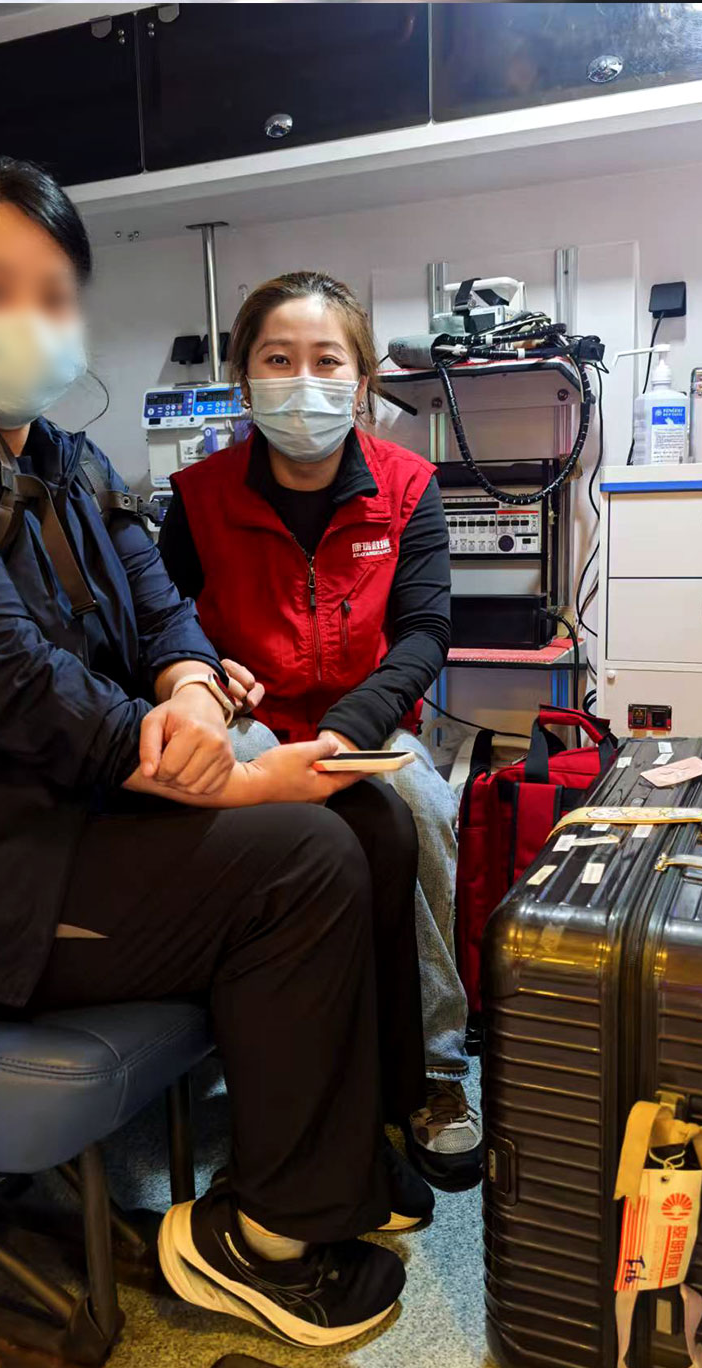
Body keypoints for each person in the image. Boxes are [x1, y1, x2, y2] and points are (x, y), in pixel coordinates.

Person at [0, 156, 433, 1348]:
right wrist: (229, 773)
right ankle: (266, 1240)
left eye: (52, 293)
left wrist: (193, 689)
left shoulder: (68, 459)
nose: (25, 319)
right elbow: (11, 673)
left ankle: (359, 1151)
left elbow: (165, 610)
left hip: (68, 815)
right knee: (301, 860)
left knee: (370, 817)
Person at [158, 271, 482, 1191]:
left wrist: (351, 725)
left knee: (420, 811)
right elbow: (162, 621)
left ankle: (434, 1071)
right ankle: (261, 1057)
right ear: (245, 378)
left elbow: (424, 631)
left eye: (326, 360)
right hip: (251, 721)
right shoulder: (199, 496)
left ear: (362, 379)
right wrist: (201, 676)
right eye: (277, 359)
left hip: (367, 722)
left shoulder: (407, 487)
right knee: (238, 823)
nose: (302, 380)